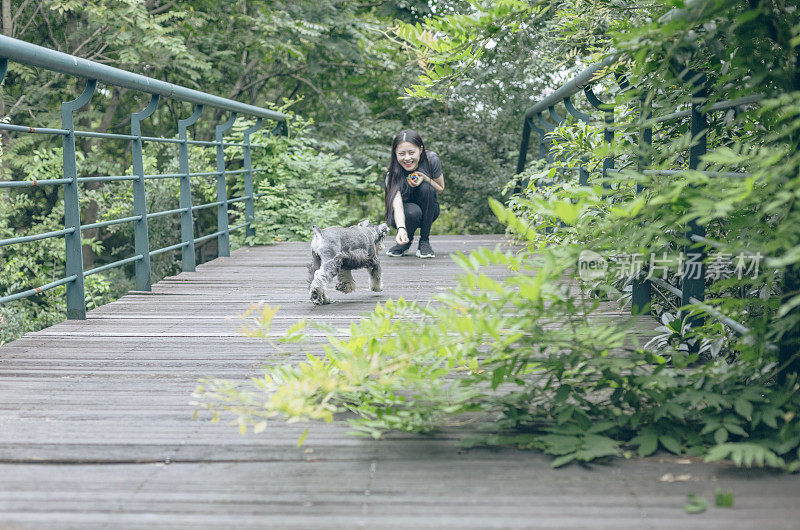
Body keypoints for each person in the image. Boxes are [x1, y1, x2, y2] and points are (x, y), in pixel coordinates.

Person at [383, 129, 445, 258]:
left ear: (420, 150)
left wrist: (424, 177)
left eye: (412, 152)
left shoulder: (431, 160)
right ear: (395, 154)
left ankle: (424, 241)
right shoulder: (392, 174)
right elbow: (397, 205)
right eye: (401, 153)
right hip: (404, 214)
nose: (407, 158)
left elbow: (440, 188)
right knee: (413, 211)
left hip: (429, 209)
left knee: (427, 189)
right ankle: (405, 241)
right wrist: (401, 229)